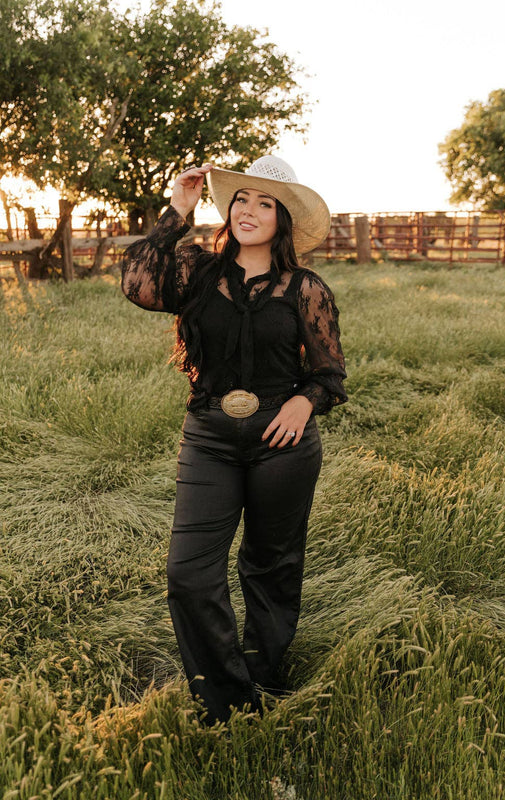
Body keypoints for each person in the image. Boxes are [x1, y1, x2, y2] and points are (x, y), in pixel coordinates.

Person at [121, 155, 347, 725]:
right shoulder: (197, 270)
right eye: (241, 199)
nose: (249, 211)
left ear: (283, 220)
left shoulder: (306, 289)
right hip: (210, 437)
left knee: (270, 564)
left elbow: (329, 375)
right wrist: (177, 209)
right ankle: (227, 702)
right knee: (189, 571)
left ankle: (265, 676)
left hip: (284, 439)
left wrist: (304, 401)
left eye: (265, 203)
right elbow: (136, 283)